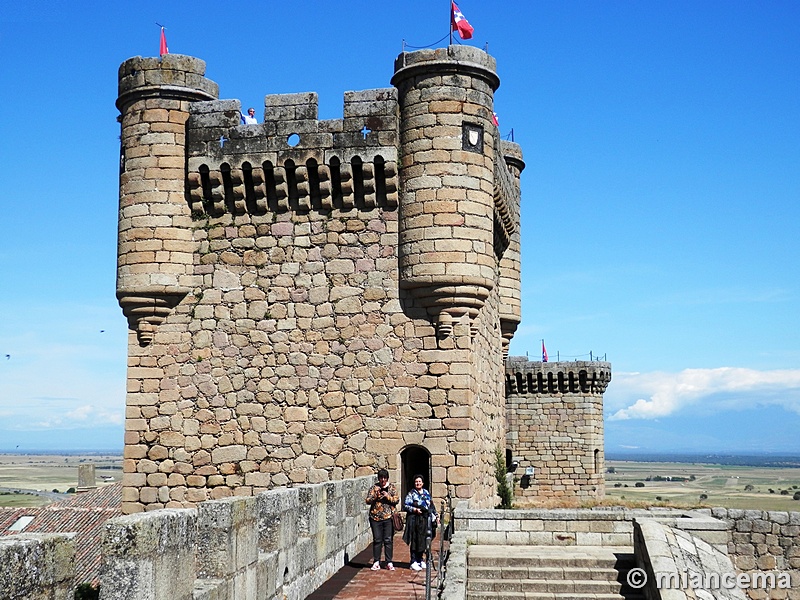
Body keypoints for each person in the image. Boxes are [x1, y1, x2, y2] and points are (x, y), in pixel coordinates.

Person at [403, 474, 439, 571]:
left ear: (422, 483)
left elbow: (431, 505)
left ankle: (420, 559)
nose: (418, 483)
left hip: (424, 520)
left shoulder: (426, 492)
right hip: (415, 520)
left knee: (423, 540)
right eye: (416, 482)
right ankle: (413, 561)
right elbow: (405, 505)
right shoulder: (411, 494)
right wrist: (415, 510)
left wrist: (436, 515)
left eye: (419, 481)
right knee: (415, 540)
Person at [365, 468, 399, 571]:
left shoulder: (392, 488)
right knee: (377, 539)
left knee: (388, 540)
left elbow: (396, 500)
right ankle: (376, 561)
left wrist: (388, 496)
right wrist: (376, 496)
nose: (382, 480)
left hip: (388, 517)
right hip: (375, 518)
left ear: (387, 478)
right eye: (381, 478)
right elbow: (368, 500)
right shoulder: (374, 488)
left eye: (384, 478)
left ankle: (389, 561)